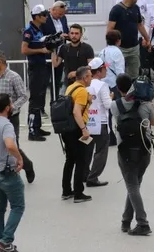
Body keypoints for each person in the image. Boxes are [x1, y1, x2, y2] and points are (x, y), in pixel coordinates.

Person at [111, 73, 154, 236]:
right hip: (144, 149)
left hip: (125, 151)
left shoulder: (114, 105)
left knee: (132, 186)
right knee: (135, 185)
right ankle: (126, 219)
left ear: (117, 88)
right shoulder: (145, 104)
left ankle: (142, 222)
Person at [0, 93, 26, 252]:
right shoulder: (6, 125)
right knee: (18, 206)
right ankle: (6, 240)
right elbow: (10, 145)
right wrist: (19, 158)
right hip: (6, 172)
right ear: (8, 107)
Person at [0, 52, 34, 184]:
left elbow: (23, 95)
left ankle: (25, 165)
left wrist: (12, 107)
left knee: (12, 145)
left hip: (11, 117)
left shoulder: (13, 77)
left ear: (0, 62)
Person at [61, 66, 94, 203]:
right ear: (85, 77)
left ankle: (66, 190)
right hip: (76, 129)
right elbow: (76, 111)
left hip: (66, 129)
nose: (91, 78)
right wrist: (84, 128)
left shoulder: (71, 87)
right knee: (81, 160)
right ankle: (79, 193)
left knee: (70, 159)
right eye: (90, 76)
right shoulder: (81, 91)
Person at [21, 4, 52, 142]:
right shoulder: (29, 31)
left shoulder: (39, 30)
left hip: (42, 66)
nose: (46, 17)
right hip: (35, 67)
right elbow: (24, 50)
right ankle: (32, 130)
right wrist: (41, 51)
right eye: (44, 15)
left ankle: (38, 126)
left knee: (40, 98)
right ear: (37, 16)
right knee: (35, 99)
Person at [108, 0, 150, 79]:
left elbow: (140, 25)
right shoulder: (116, 10)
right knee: (119, 74)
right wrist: (110, 46)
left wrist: (147, 39)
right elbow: (110, 29)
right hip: (120, 48)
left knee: (134, 73)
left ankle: (132, 91)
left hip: (134, 47)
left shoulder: (136, 8)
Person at [85, 58, 112, 188]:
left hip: (86, 123)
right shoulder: (103, 86)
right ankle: (93, 177)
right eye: (104, 68)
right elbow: (107, 105)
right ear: (99, 71)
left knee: (87, 150)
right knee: (101, 151)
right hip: (100, 123)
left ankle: (85, 173)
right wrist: (112, 98)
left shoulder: (85, 84)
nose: (106, 70)